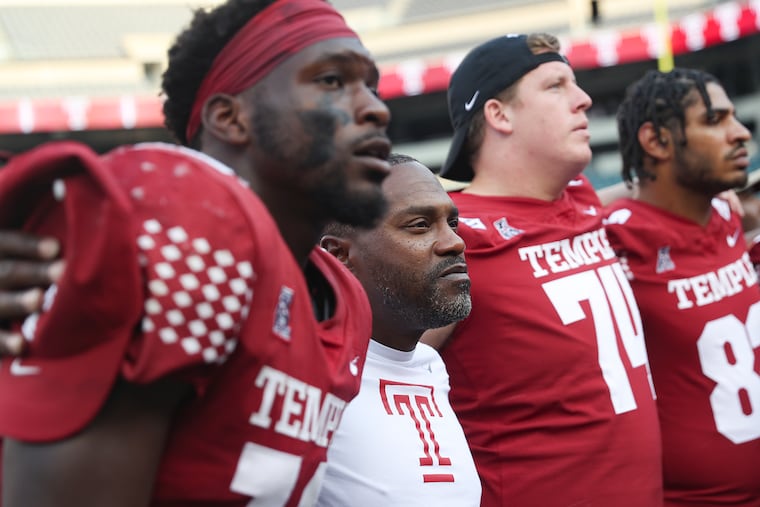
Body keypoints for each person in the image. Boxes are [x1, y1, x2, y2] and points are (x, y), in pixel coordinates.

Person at [0, 0, 393, 505]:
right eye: (332, 81)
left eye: (372, 85)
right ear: (230, 118)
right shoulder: (190, 221)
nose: (376, 108)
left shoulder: (345, 299)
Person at [422, 33, 663, 506]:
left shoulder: (577, 199)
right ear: (499, 114)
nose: (584, 100)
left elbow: (642, 197)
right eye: (556, 86)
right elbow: (375, 378)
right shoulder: (455, 239)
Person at [604, 68, 760, 506]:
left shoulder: (728, 217)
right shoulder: (617, 238)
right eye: (715, 121)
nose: (741, 133)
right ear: (657, 142)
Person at [315, 153, 481, 506]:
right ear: (338, 255)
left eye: (452, 222)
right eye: (420, 224)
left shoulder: (430, 365)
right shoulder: (309, 375)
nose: (454, 242)